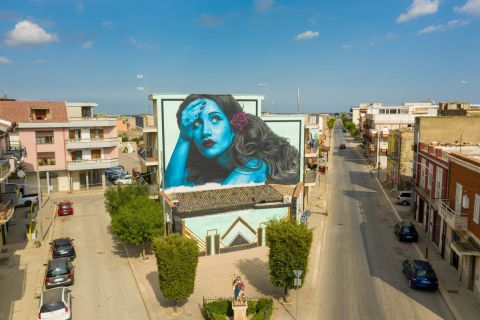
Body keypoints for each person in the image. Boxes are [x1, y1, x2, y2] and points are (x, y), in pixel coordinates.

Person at [165, 94, 299, 188]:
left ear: (234, 125)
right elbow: (171, 194)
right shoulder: (203, 166)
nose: (205, 131)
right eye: (197, 123)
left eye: (215, 119)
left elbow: (219, 204)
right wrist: (184, 138)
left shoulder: (254, 165)